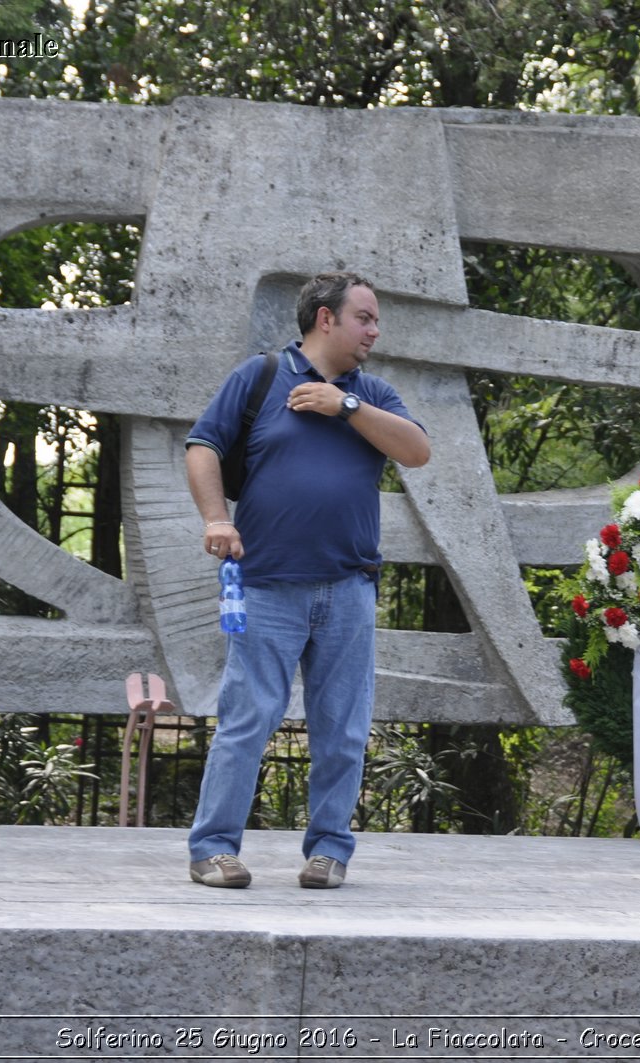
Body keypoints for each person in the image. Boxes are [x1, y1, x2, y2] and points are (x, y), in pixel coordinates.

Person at [183, 272, 430, 889]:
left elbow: (418, 451)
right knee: (246, 721)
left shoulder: (371, 393)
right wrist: (216, 517)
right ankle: (213, 849)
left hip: (349, 588)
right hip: (267, 586)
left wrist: (343, 405)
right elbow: (202, 446)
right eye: (365, 317)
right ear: (326, 319)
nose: (375, 330)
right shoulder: (260, 376)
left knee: (343, 729)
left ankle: (329, 851)